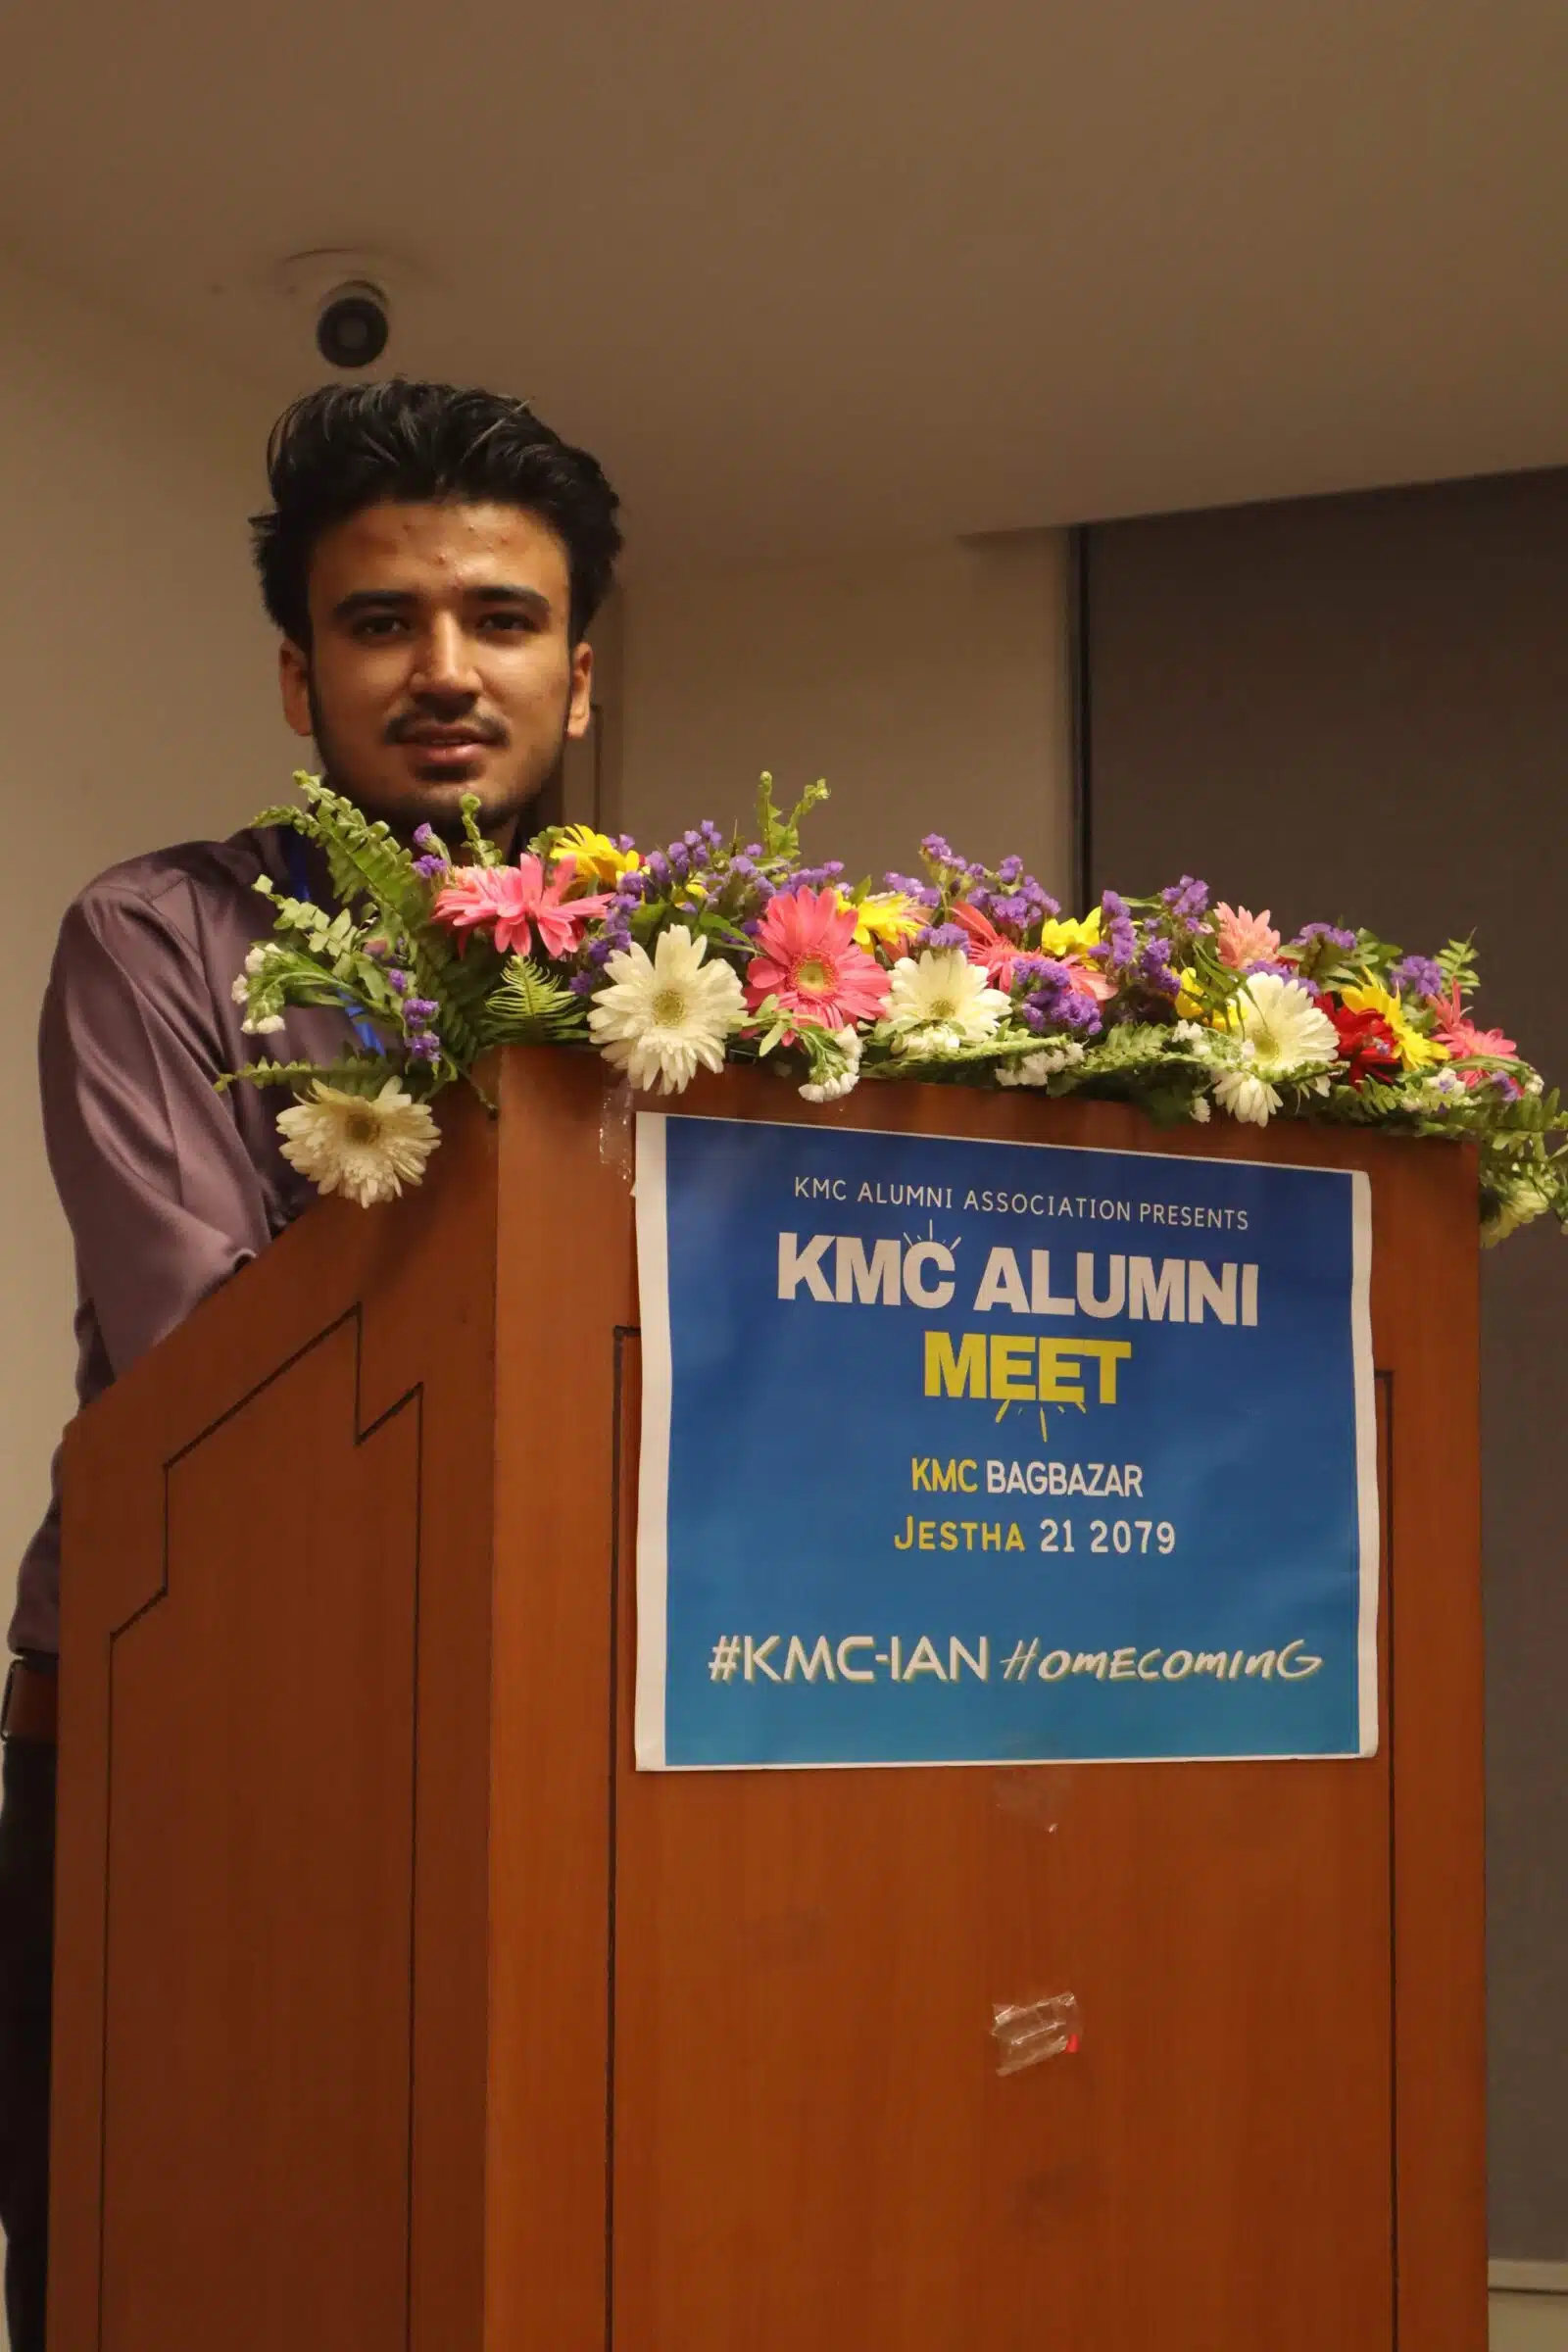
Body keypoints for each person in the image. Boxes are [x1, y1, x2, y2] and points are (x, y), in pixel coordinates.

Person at [0, 378, 622, 2351]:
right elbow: (213, 1382)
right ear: (300, 678)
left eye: (501, 620)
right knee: (171, 2259)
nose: (444, 670)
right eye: (380, 622)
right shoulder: (159, 941)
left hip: (565, 1735)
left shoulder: (679, 973)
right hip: (182, 1722)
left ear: (576, 677)